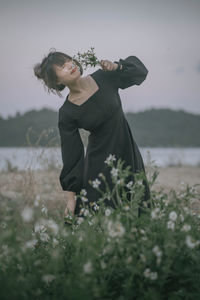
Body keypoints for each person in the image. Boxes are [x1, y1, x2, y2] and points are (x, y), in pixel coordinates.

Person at [33, 49, 151, 223]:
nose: (69, 65)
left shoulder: (104, 76)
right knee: (101, 219)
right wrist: (71, 199)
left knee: (139, 208)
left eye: (68, 60)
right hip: (99, 166)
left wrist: (116, 67)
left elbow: (140, 72)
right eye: (62, 67)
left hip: (128, 152)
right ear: (57, 81)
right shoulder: (67, 112)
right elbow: (72, 155)